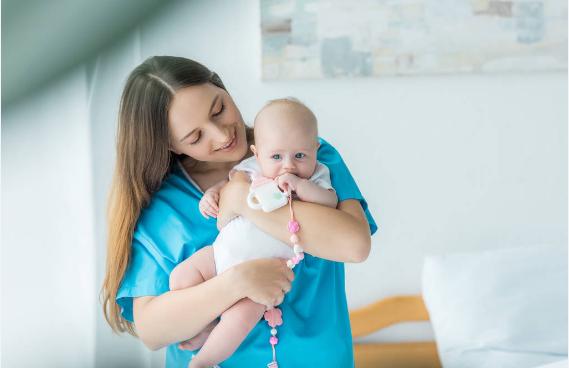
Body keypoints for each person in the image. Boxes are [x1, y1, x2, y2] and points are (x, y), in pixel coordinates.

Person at [101, 56, 377, 368]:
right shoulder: (164, 207)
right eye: (195, 136)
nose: (221, 135)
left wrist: (240, 198)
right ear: (171, 145)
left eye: (218, 109)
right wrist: (237, 282)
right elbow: (152, 330)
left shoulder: (303, 155)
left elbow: (354, 245)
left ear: (222, 86)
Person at [169, 97, 339, 368]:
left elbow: (330, 202)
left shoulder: (316, 175)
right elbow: (227, 187)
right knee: (181, 277)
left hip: (263, 275)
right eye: (276, 156)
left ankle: (202, 361)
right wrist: (212, 195)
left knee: (240, 321)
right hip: (219, 255)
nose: (288, 165)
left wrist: (299, 187)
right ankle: (207, 325)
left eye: (300, 155)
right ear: (257, 153)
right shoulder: (250, 169)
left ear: (315, 150)